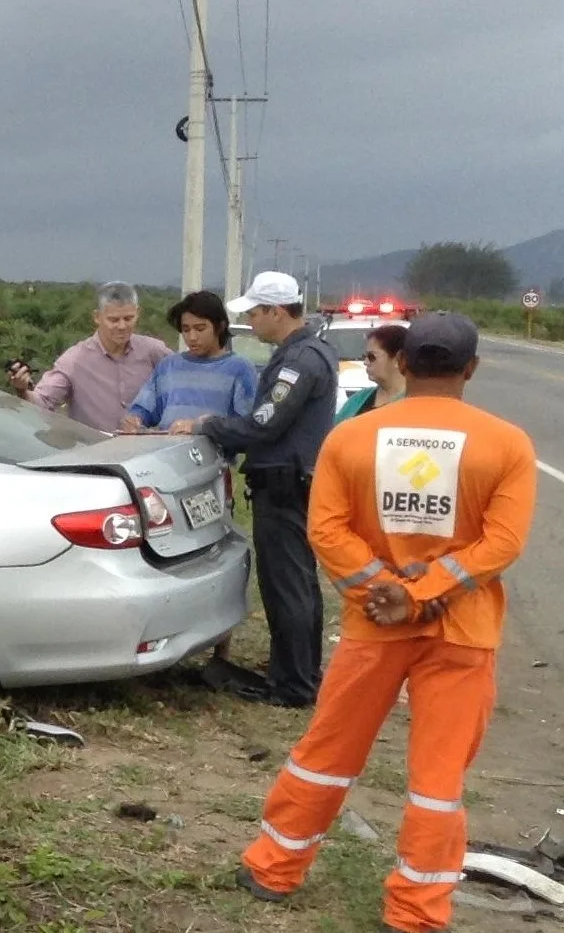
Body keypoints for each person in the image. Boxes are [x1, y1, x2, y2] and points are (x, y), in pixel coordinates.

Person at [233, 312, 536, 933]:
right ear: (471, 369)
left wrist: (386, 593)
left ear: (404, 364)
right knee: (437, 779)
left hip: (373, 630)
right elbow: (501, 544)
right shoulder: (506, 444)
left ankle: (273, 868)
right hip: (462, 633)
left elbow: (325, 531)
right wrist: (427, 594)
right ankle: (416, 913)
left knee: (326, 753)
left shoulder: (352, 439)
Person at [178, 271, 339, 707]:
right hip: (292, 483)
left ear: (275, 311)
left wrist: (206, 425)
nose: (251, 320)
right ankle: (298, 672)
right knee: (298, 584)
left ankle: (294, 685)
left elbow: (262, 424)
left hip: (285, 487)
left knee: (287, 586)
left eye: (255, 312)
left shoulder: (298, 360)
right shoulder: (308, 351)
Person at [5, 282, 170, 433]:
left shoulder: (153, 351)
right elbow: (43, 403)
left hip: (145, 454)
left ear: (138, 313)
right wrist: (22, 390)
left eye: (128, 319)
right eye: (113, 320)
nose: (122, 326)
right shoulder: (74, 360)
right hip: (93, 456)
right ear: (97, 317)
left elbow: (184, 377)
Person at [120, 289, 258, 432]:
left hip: (213, 453)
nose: (192, 337)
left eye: (200, 329)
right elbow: (145, 407)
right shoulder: (168, 366)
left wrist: (200, 427)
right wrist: (135, 419)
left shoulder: (240, 368)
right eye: (186, 330)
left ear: (220, 326)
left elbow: (247, 426)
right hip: (169, 450)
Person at [335, 323, 409, 421]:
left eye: (371, 356)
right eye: (364, 356)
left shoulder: (415, 403)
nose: (365, 362)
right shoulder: (358, 399)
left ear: (397, 359)